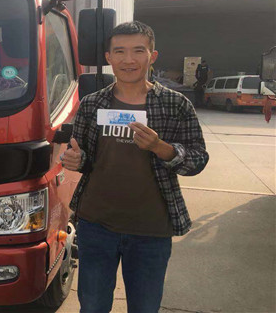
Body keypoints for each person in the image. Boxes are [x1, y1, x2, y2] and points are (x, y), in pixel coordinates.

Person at [60, 21, 209, 313]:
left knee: (144, 307)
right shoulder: (92, 104)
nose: (128, 60)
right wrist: (75, 160)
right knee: (92, 306)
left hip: (151, 230)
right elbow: (83, 156)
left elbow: (198, 159)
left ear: (152, 56)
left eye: (138, 51)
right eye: (120, 51)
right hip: (95, 226)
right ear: (109, 57)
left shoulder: (175, 105)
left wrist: (160, 147)